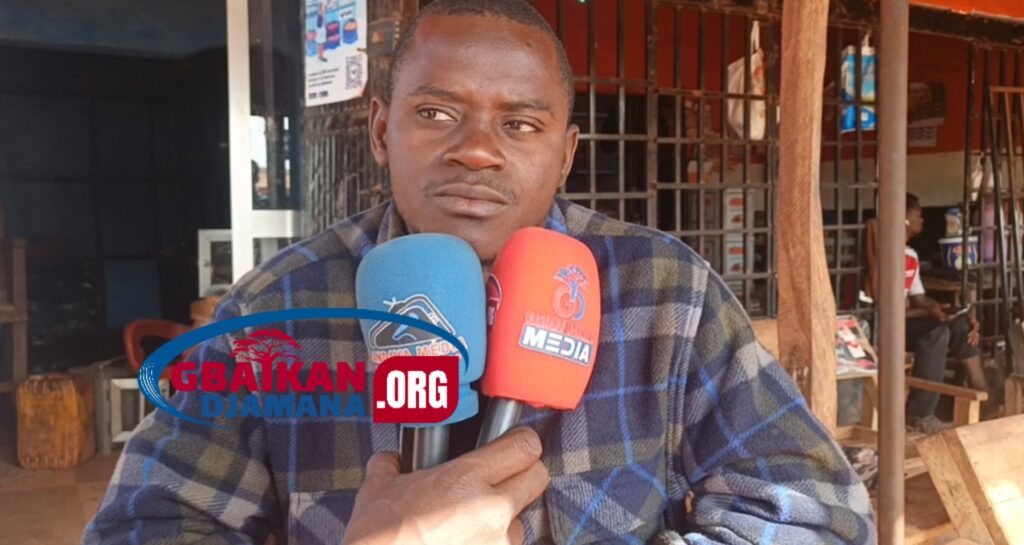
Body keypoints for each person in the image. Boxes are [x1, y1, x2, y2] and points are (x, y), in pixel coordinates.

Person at [84, 1, 873, 544]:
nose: (477, 151)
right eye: (435, 114)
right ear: (381, 130)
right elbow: (143, 526)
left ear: (565, 154)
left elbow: (822, 516)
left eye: (521, 124)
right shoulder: (277, 308)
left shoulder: (668, 291)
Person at [864, 193, 985, 434]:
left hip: (906, 320)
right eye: (918, 215)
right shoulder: (883, 252)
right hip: (884, 325)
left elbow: (919, 298)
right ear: (904, 219)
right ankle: (919, 413)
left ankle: (983, 396)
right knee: (936, 332)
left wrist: (943, 309)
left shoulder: (910, 255)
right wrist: (928, 311)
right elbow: (882, 305)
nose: (922, 220)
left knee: (960, 325)